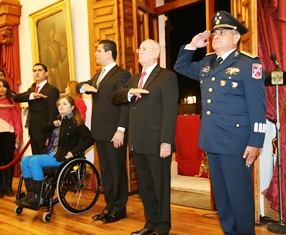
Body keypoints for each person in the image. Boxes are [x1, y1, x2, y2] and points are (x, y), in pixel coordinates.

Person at [174, 11, 266, 235]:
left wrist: (256, 141)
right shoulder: (207, 63)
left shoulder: (248, 64)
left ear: (235, 38)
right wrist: (192, 45)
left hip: (236, 143)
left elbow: (257, 106)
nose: (216, 36)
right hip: (212, 140)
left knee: (239, 197)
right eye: (215, 32)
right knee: (222, 199)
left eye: (222, 32)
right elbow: (180, 66)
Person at [112, 39, 178, 235]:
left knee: (160, 187)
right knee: (145, 187)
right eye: (139, 48)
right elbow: (116, 98)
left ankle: (163, 227)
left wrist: (166, 141)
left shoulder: (166, 77)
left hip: (157, 142)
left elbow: (169, 111)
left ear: (156, 53)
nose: (139, 51)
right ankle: (150, 224)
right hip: (138, 142)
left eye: (144, 48)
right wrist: (129, 92)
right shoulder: (134, 79)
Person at [76, 39, 131, 223]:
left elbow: (125, 104)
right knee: (106, 171)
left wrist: (121, 130)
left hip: (114, 132)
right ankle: (109, 206)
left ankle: (119, 208)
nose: (95, 54)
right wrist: (84, 87)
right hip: (99, 131)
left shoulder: (121, 75)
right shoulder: (98, 75)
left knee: (117, 170)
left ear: (109, 53)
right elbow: (78, 85)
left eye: (98, 51)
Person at [15, 96, 94, 208]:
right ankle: (31, 194)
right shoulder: (57, 121)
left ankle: (39, 197)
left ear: (72, 107)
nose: (61, 106)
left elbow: (90, 139)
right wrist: (53, 124)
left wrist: (73, 152)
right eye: (59, 104)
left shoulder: (76, 122)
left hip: (63, 157)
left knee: (34, 161)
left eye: (64, 104)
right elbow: (43, 129)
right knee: (25, 160)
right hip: (52, 153)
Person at [13, 63, 60, 154]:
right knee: (35, 159)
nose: (36, 73)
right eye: (34, 71)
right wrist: (32, 95)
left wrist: (49, 135)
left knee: (44, 163)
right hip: (33, 131)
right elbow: (16, 98)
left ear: (46, 73)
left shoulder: (51, 90)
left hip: (44, 132)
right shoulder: (32, 90)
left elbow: (53, 114)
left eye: (39, 70)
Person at [0, 79, 23, 198]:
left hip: (9, 134)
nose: (1, 89)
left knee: (8, 161)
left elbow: (17, 119)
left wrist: (18, 134)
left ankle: (8, 187)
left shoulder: (12, 101)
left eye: (4, 86)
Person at [43, 21, 68, 93]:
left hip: (56, 69)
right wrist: (48, 70)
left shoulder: (57, 44)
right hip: (50, 69)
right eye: (51, 31)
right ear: (48, 33)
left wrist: (65, 51)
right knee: (50, 90)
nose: (52, 33)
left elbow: (61, 60)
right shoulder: (47, 45)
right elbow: (45, 59)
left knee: (60, 89)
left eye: (53, 31)